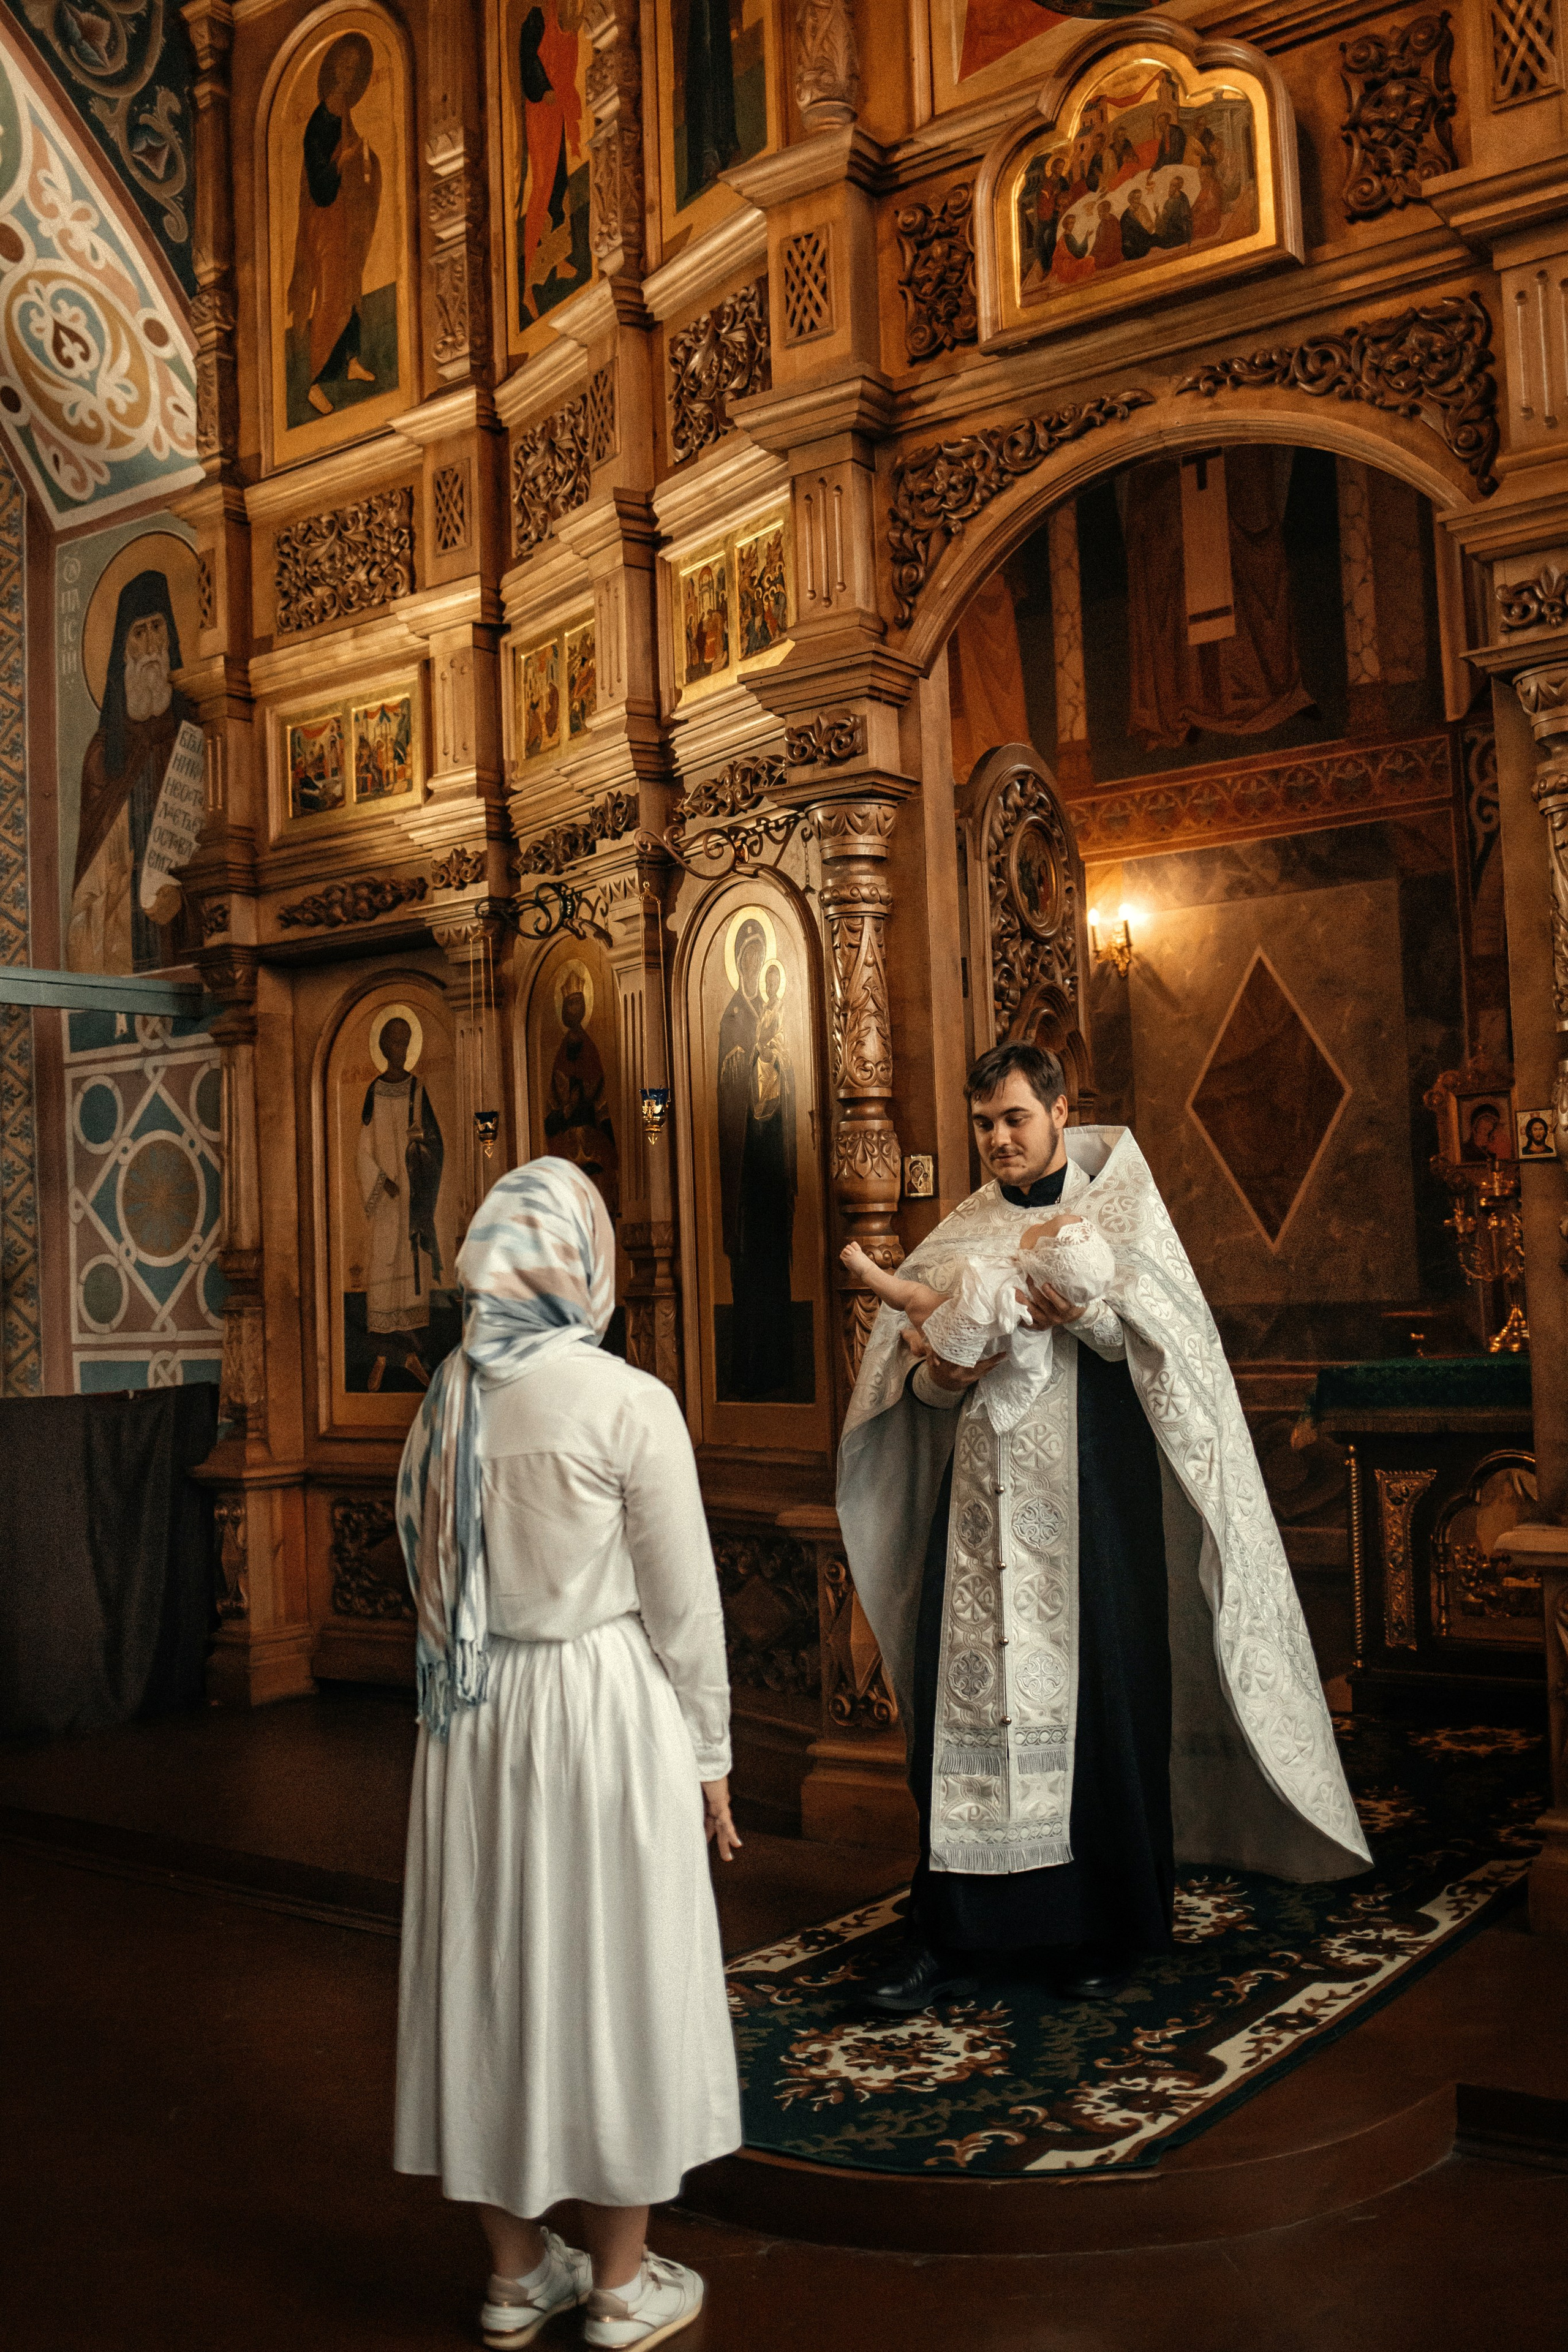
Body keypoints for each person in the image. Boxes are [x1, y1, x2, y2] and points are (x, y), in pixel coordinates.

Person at [837, 1042, 1370, 2016]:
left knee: (1101, 1706)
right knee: (967, 1709)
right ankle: (950, 1932)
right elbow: (912, 1376)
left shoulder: (1119, 1213)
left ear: (1058, 1111)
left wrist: (1083, 1309)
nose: (999, 1139)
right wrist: (942, 1374)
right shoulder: (960, 1233)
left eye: (1015, 1119)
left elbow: (1170, 1354)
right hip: (978, 1523)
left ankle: (1102, 1928)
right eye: (985, 1124)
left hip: (1093, 1509)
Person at [394, 1156, 741, 2350]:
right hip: (598, 1704)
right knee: (616, 1978)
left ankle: (510, 2278)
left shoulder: (450, 1394)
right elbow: (682, 1605)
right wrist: (708, 1753)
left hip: (476, 1719)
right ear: (583, 1264)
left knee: (487, 1977)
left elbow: (435, 1586)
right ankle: (617, 2285)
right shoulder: (623, 1400)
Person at [68, 569, 194, 975]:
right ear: (123, 651)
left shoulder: (198, 734)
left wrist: (185, 892)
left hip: (194, 936)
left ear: (172, 636)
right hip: (127, 941)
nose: (150, 646)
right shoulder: (105, 755)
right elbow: (89, 892)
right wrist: (119, 891)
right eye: (138, 633)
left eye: (158, 628)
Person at [287, 32, 382, 420]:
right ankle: (314, 382)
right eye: (344, 66)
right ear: (332, 71)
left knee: (352, 285)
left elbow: (349, 158)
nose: (349, 73)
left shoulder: (344, 110)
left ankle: (350, 360)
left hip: (346, 218)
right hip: (325, 221)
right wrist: (342, 163)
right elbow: (320, 181)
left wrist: (364, 163)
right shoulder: (320, 120)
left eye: (354, 68)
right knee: (329, 292)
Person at [357, 1016, 444, 1389]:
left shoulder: (418, 1090)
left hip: (413, 1200)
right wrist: (381, 1181)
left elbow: (436, 1145)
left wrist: (418, 1152)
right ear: (383, 1047)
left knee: (412, 1284)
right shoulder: (374, 1091)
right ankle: (388, 1358)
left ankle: (406, 1358)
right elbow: (362, 1149)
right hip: (386, 1200)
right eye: (395, 1043)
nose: (401, 1050)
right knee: (382, 1275)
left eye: (407, 1043)